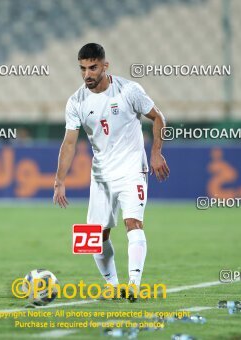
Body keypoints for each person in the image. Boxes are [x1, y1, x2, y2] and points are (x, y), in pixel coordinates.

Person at [53, 43, 169, 302]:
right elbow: (69, 143)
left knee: (133, 223)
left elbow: (158, 117)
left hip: (132, 170)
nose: (87, 74)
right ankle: (112, 286)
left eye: (93, 67)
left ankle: (134, 285)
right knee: (96, 235)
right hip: (101, 175)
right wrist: (59, 180)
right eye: (82, 69)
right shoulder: (76, 102)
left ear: (105, 66)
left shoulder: (129, 90)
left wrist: (156, 152)